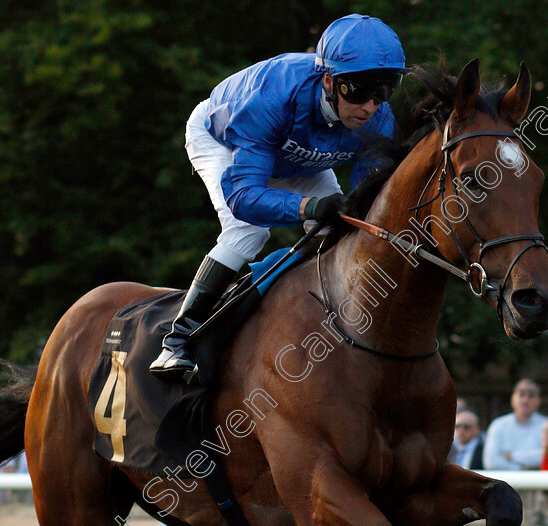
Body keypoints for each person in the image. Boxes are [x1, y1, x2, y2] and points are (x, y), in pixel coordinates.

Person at [148, 14, 409, 381]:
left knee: (341, 232)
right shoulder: (270, 98)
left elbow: (367, 207)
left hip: (299, 152)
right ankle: (177, 341)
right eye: (358, 91)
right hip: (224, 139)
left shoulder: (379, 119)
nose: (369, 106)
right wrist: (310, 207)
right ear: (330, 81)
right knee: (248, 232)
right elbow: (243, 195)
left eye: (383, 90)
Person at [483, 379, 547, 470]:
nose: (525, 400)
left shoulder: (547, 425)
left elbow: (547, 457)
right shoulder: (498, 425)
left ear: (538, 401)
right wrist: (520, 469)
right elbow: (491, 462)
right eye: (521, 395)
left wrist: (512, 456)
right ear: (513, 399)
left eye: (531, 396)